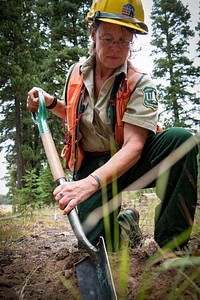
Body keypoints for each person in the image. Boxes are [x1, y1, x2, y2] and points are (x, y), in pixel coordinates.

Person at [27, 0, 198, 252]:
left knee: (181, 140)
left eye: (124, 41)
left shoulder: (140, 83)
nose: (116, 48)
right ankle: (126, 224)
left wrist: (88, 184)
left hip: (130, 161)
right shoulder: (76, 74)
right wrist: (51, 104)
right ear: (93, 34)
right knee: (97, 244)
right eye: (108, 39)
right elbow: (80, 116)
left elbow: (134, 147)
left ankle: (170, 246)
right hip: (92, 163)